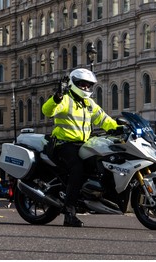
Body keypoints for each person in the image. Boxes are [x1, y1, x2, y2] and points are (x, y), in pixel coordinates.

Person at [42, 68, 119, 227]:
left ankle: (90, 197)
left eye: (88, 86)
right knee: (77, 169)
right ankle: (69, 214)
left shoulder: (89, 104)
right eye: (82, 85)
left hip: (82, 145)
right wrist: (56, 97)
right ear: (74, 84)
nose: (85, 88)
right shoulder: (65, 99)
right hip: (63, 144)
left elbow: (104, 119)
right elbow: (47, 110)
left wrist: (119, 128)